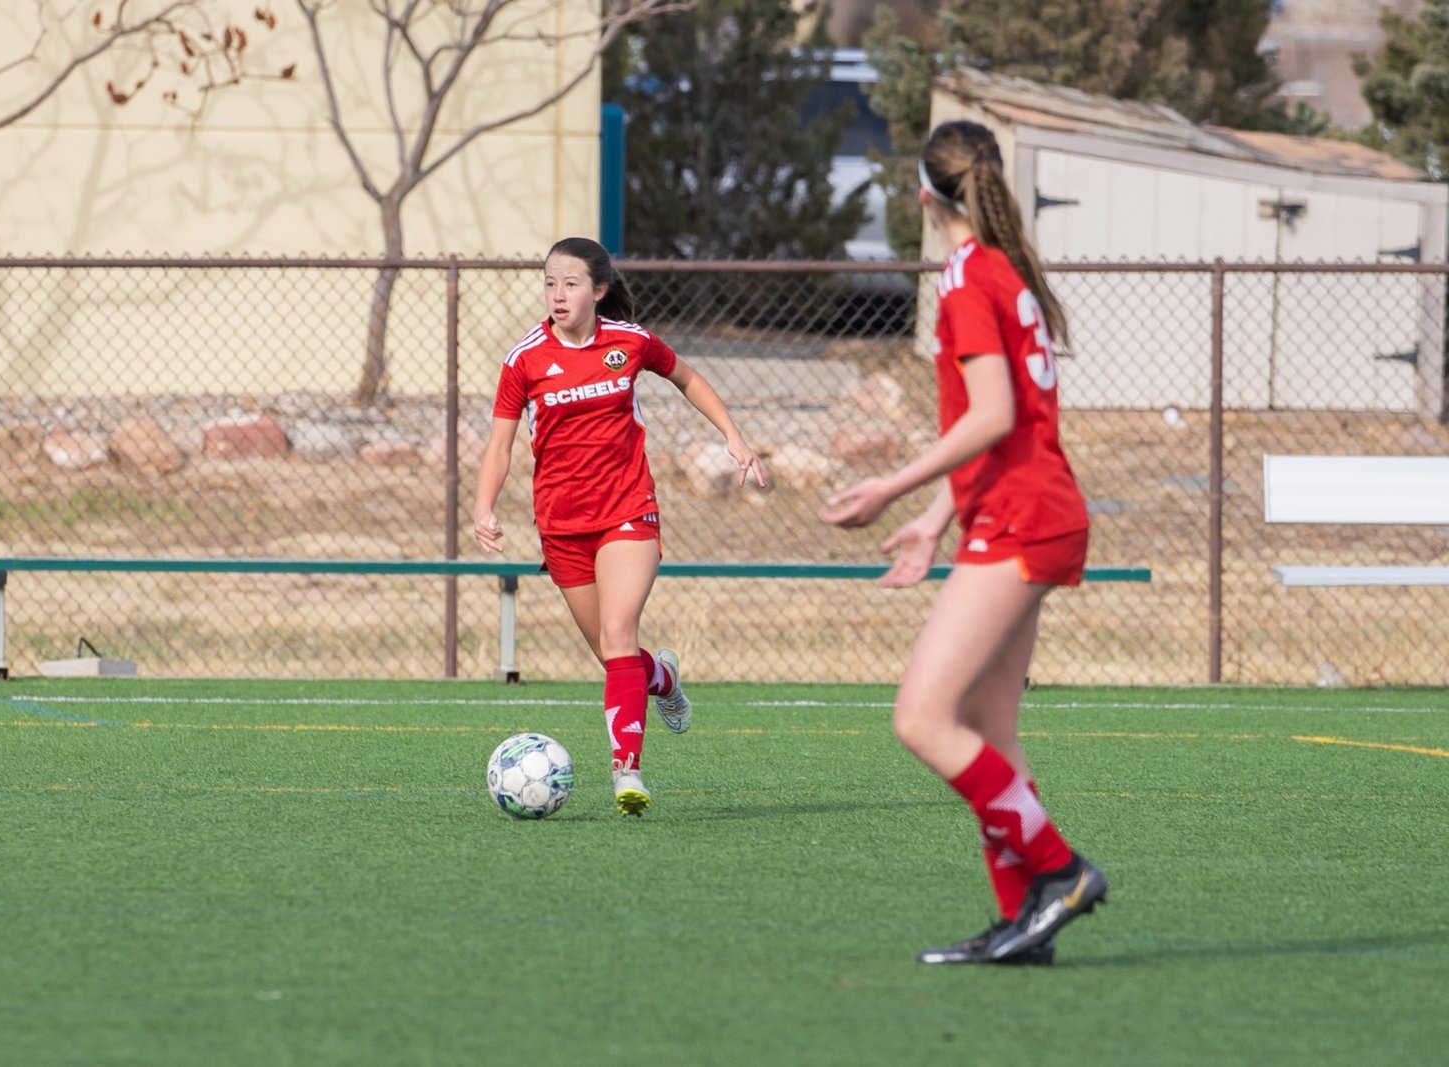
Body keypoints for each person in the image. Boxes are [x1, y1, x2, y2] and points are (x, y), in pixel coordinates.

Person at [819, 120, 1106, 965]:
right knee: (991, 733)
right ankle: (1026, 922)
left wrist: (891, 485)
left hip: (1021, 518)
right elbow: (1006, 426)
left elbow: (993, 415)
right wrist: (937, 515)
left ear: (923, 197)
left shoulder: (968, 278)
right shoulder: (1001, 268)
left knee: (922, 718)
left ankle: (1060, 872)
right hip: (1030, 507)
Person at [474, 236, 767, 817]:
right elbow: (500, 445)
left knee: (616, 634)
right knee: (617, 657)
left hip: (628, 509)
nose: (558, 295)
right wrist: (484, 506)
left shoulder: (629, 342)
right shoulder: (524, 359)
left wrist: (732, 435)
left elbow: (687, 378)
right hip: (562, 525)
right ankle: (664, 678)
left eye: (571, 284)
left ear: (599, 290)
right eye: (550, 284)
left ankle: (626, 771)